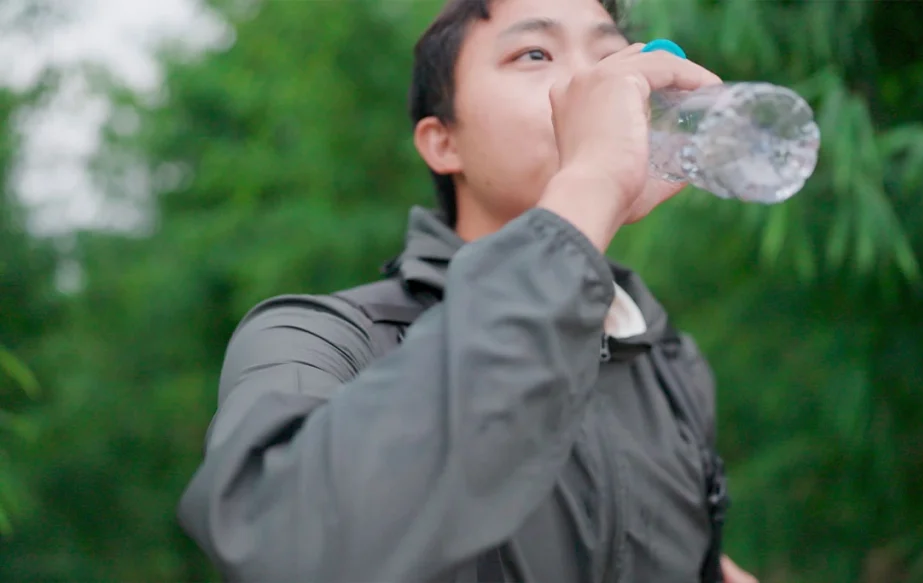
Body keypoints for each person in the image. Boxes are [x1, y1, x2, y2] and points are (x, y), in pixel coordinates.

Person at [177, 0, 758, 581]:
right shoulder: (323, 340)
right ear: (442, 142)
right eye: (535, 53)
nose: (595, 85)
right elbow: (284, 546)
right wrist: (591, 181)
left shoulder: (669, 365)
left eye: (608, 56)